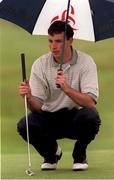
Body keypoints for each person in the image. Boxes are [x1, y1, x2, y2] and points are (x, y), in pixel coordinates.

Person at [17, 20, 101, 171]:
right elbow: (37, 107)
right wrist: (29, 97)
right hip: (49, 117)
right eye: (50, 41)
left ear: (70, 40)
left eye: (58, 41)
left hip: (76, 118)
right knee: (25, 125)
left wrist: (66, 89)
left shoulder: (86, 62)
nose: (53, 46)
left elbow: (90, 102)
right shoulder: (40, 64)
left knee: (91, 117)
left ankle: (80, 153)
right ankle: (51, 154)